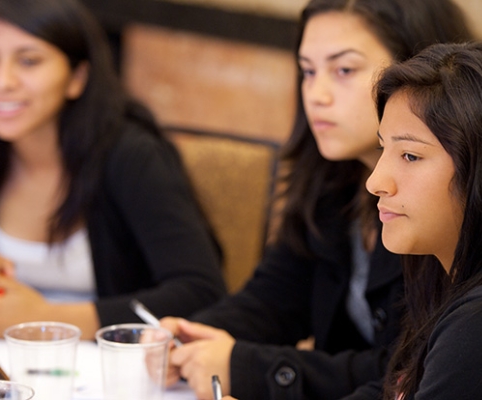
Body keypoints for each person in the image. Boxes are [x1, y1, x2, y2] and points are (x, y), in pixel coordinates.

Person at [155, 0, 474, 399]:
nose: (316, 95)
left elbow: (410, 370)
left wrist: (246, 366)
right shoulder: (334, 177)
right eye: (307, 71)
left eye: (344, 70)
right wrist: (188, 342)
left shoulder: (440, 210)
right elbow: (276, 296)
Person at [0, 0, 226, 340]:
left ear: (77, 78)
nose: (1, 82)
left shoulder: (131, 156)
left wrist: (46, 319)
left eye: (28, 61)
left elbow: (202, 290)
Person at [367, 41, 482, 400]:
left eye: (411, 156)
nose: (375, 182)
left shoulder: (475, 325)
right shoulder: (440, 279)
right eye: (382, 149)